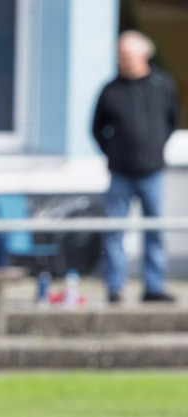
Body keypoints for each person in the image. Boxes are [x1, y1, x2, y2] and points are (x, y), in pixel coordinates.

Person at [92, 30, 180, 304]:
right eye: (119, 56)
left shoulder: (162, 84)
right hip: (120, 173)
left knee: (154, 231)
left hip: (152, 172)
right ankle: (115, 288)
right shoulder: (111, 89)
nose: (120, 61)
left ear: (142, 56)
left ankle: (154, 287)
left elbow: (172, 121)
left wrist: (154, 151)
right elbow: (97, 129)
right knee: (115, 231)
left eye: (125, 55)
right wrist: (115, 154)